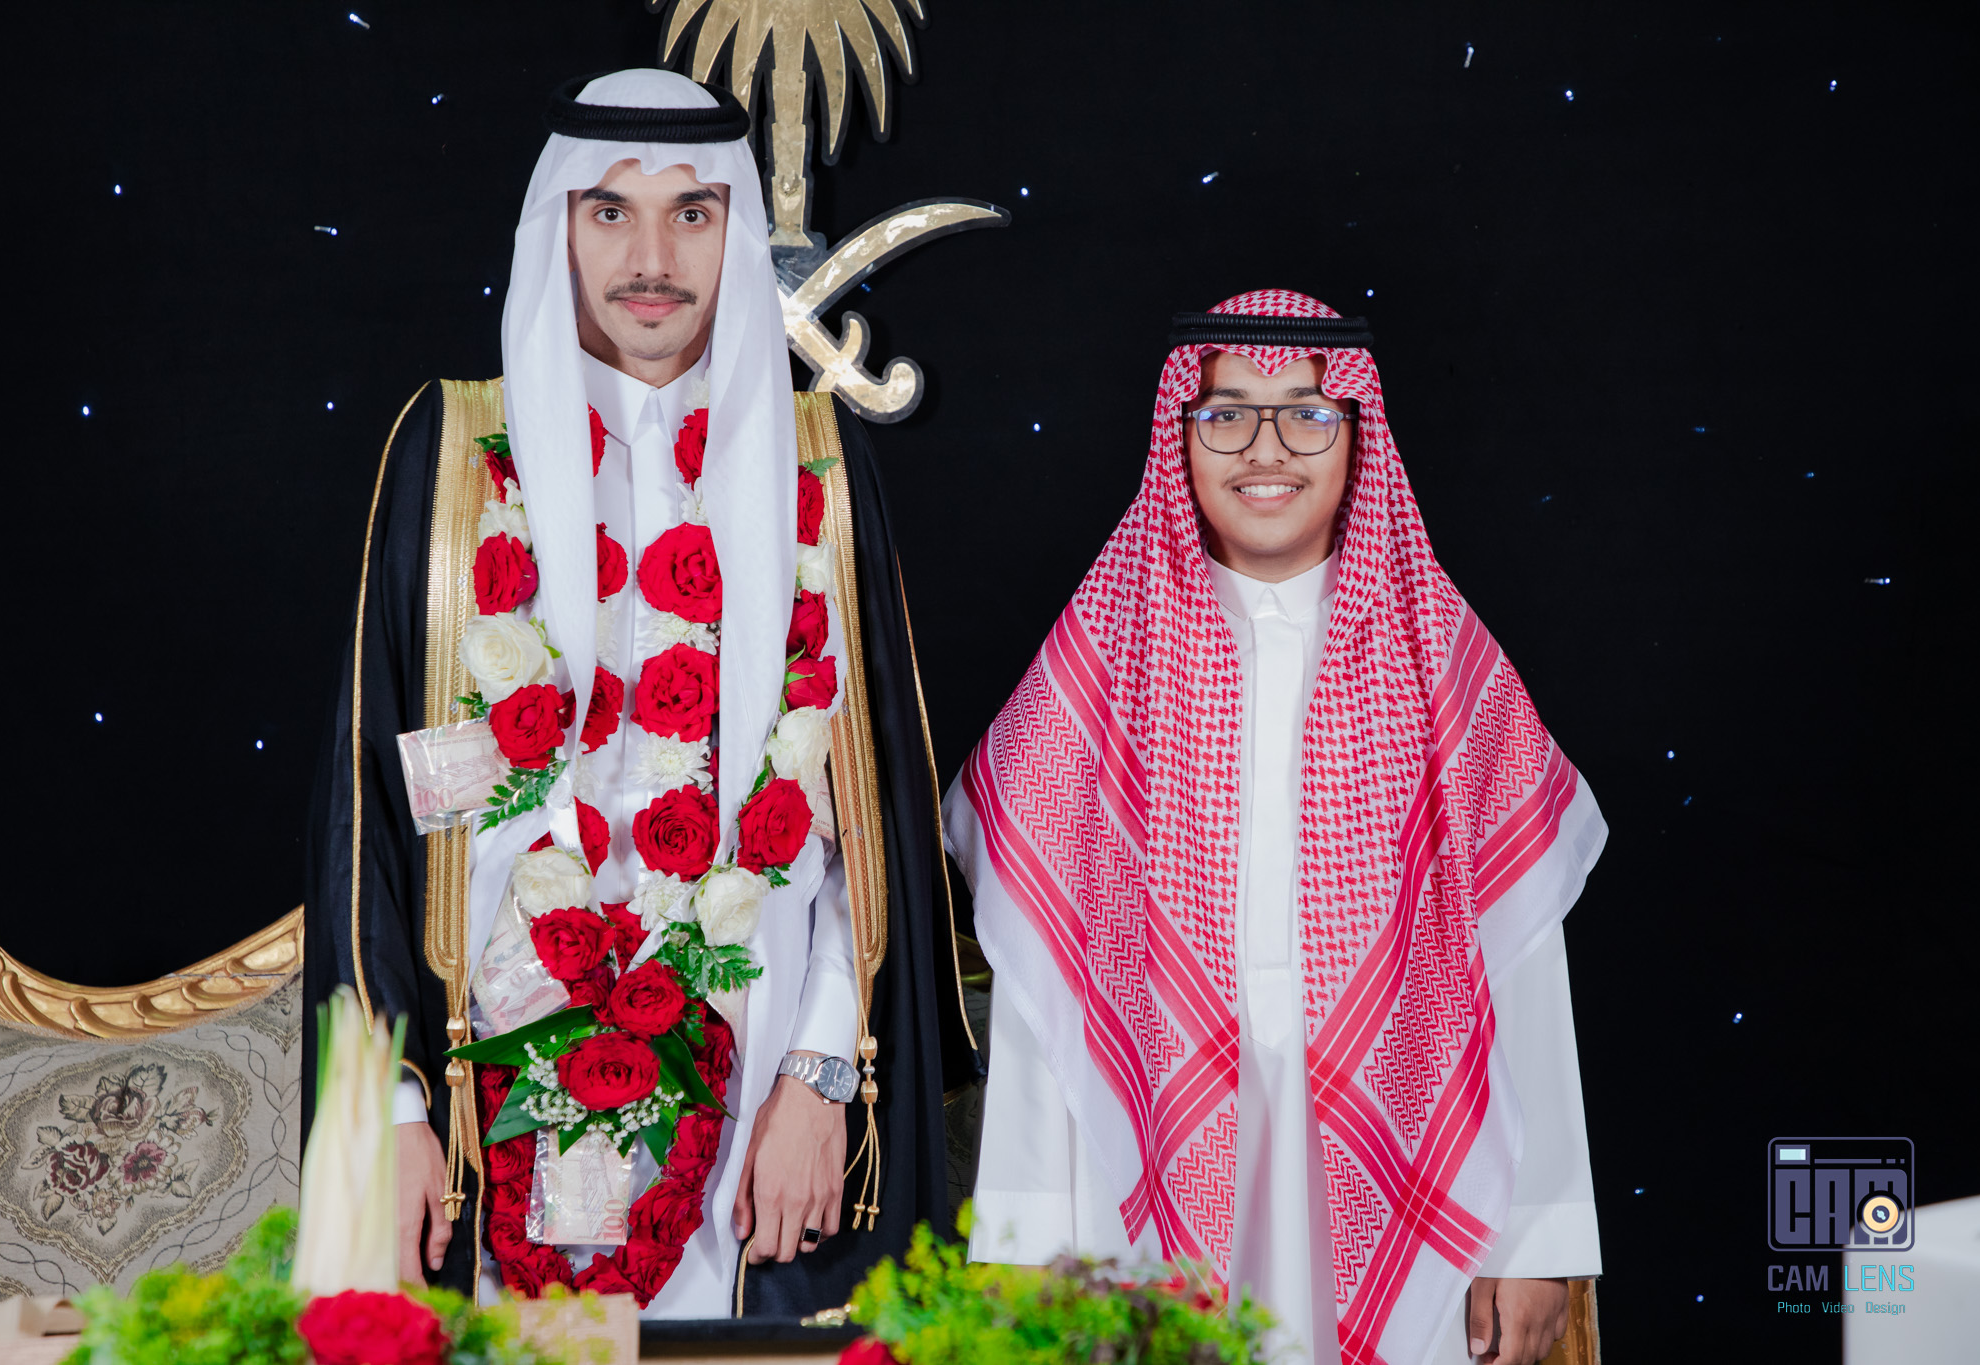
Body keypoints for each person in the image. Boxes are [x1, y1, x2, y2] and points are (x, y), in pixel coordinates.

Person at [302, 69, 976, 1317]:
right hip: (477, 1066)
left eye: (693, 214)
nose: (651, 259)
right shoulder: (451, 456)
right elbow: (371, 814)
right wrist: (387, 1111)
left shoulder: (820, 461)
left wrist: (822, 1074)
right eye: (609, 211)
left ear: (736, 234)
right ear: (555, 224)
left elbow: (864, 816)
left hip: (762, 1068)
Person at [946, 291, 1605, 1365]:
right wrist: (1021, 1239)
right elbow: (1040, 983)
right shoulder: (1102, 658)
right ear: (1180, 436)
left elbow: (1521, 961)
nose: (1266, 449)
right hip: (1140, 1159)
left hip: (1399, 1137)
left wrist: (1538, 1237)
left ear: (1357, 437)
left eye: (1305, 413)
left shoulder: (1440, 658)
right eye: (1226, 416)